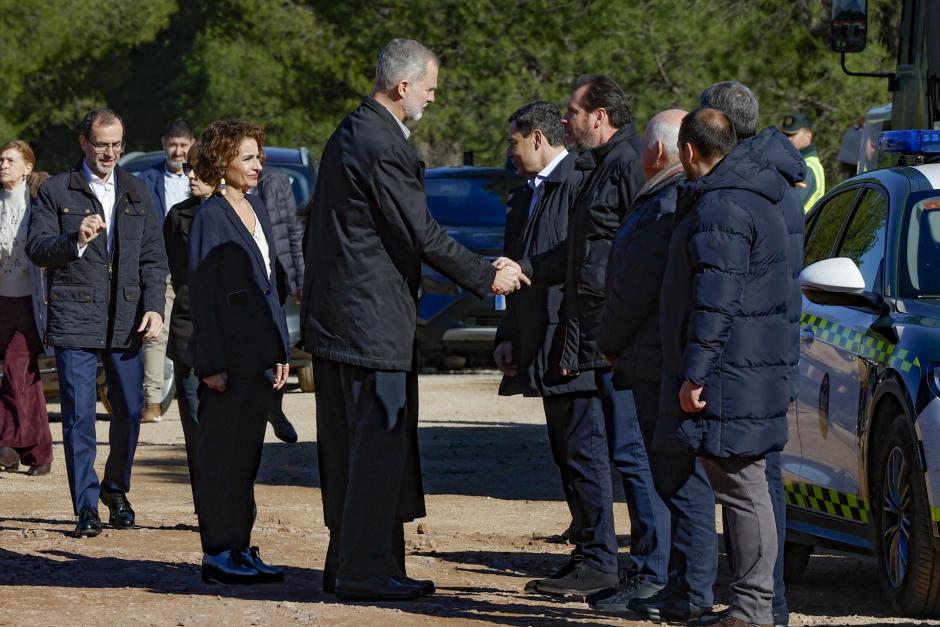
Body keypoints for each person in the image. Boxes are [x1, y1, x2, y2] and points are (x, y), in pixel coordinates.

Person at [301, 38, 526, 602]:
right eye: (429, 88)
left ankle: (360, 564)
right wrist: (486, 275)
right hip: (367, 323)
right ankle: (363, 571)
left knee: (358, 450)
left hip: (345, 320)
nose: (432, 97)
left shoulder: (354, 130)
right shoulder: (381, 142)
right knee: (375, 448)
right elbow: (421, 233)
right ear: (403, 87)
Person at [503, 74, 669, 603]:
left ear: (599, 116)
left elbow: (645, 253)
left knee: (632, 457)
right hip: (600, 336)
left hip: (620, 339)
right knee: (619, 453)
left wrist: (623, 329)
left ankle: (651, 575)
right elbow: (580, 254)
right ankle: (627, 568)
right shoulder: (600, 167)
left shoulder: (625, 164)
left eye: (573, 111)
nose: (566, 120)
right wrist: (526, 269)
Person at [666, 80, 802, 627]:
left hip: (732, 370)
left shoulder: (723, 203)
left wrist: (694, 373)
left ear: (690, 149)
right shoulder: (761, 192)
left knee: (744, 489)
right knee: (748, 486)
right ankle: (755, 605)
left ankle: (752, 608)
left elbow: (716, 299)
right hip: (754, 363)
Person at [27, 108, 167, 537]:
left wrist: (154, 306)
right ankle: (86, 505)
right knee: (79, 415)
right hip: (74, 317)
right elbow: (37, 248)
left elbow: (153, 258)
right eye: (102, 144)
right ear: (84, 143)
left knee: (130, 410)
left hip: (126, 319)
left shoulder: (137, 191)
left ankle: (114, 489)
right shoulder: (55, 190)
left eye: (117, 144)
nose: (110, 152)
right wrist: (76, 240)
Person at [590, 109, 697, 616]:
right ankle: (662, 577)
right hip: (656, 354)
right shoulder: (671, 196)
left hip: (650, 357)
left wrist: (608, 341)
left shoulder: (664, 202)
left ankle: (657, 577)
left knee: (654, 468)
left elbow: (635, 285)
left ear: (656, 152)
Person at [188, 120, 289, 585]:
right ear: (222, 161)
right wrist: (211, 364)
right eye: (247, 157)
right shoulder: (209, 216)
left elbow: (270, 287)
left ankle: (241, 548)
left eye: (258, 156)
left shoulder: (257, 206)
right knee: (220, 460)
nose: (257, 164)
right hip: (225, 362)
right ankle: (218, 553)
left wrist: (280, 350)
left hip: (258, 358)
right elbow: (202, 296)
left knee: (246, 459)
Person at [493, 100, 594, 560]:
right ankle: (585, 540)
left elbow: (577, 261)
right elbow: (516, 270)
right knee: (563, 449)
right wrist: (507, 335)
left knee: (582, 450)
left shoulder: (579, 183)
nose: (509, 152)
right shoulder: (525, 195)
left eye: (513, 142)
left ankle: (597, 551)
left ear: (537, 138)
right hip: (540, 341)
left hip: (569, 344)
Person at [162, 143, 215, 511]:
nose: (190, 175)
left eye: (199, 168)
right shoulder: (177, 216)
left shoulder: (242, 212)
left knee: (230, 427)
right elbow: (176, 273)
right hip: (189, 332)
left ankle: (233, 504)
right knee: (196, 423)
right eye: (188, 168)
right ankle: (207, 506)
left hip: (232, 337)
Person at [0, 140, 53, 476]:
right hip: (1, 299)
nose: (3, 165)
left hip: (29, 301)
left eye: (10, 160)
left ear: (27, 167)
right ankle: (39, 451)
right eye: (1, 160)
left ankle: (7, 443)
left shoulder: (37, 201)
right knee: (25, 375)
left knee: (15, 366)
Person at [138, 119, 195, 423]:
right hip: (161, 268)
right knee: (155, 332)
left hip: (196, 267)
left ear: (192, 144)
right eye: (173, 145)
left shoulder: (203, 178)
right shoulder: (146, 180)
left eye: (183, 145)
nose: (178, 151)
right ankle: (152, 401)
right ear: (163, 144)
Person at [253, 166, 303, 444]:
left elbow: (293, 231)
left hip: (277, 280)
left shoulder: (277, 181)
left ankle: (275, 409)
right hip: (243, 281)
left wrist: (300, 279)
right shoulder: (221, 185)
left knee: (278, 347)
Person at [781, 111, 825, 212]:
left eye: (792, 134)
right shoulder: (794, 163)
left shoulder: (806, 168)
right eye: (785, 134)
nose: (787, 138)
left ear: (808, 137)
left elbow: (788, 208)